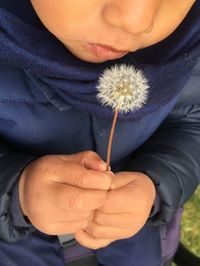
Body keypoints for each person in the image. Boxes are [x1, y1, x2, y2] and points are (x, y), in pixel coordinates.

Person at [0, 0, 199, 265]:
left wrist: (156, 188)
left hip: (134, 237)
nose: (136, 20)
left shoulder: (188, 44)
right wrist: (17, 194)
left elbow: (190, 121)